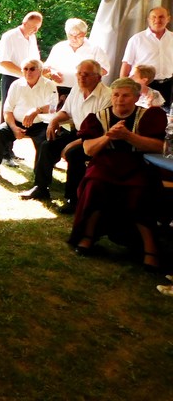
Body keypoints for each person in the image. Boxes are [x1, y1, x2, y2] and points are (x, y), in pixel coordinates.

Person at [68, 78, 166, 271]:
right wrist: (108, 136)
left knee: (140, 193)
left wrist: (129, 136)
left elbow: (159, 146)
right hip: (105, 162)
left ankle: (150, 249)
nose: (120, 99)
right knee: (95, 185)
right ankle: (87, 237)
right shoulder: (98, 117)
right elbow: (88, 150)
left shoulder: (147, 116)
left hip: (137, 163)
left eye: (126, 95)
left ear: (136, 97)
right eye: (116, 95)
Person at [20, 60, 111, 213]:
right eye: (79, 74)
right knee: (47, 145)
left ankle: (73, 198)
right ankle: (41, 187)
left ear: (98, 77)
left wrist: (71, 144)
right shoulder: (76, 89)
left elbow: (99, 130)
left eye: (86, 74)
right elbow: (66, 112)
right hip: (78, 132)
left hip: (96, 138)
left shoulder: (107, 96)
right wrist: (54, 121)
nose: (81, 77)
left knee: (73, 154)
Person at [0, 58, 56, 179]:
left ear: (40, 70)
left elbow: (53, 107)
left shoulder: (48, 84)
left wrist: (36, 111)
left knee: (45, 143)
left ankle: (40, 177)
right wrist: (14, 128)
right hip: (17, 123)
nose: (28, 72)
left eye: (32, 69)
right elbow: (7, 110)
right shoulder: (16, 85)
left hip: (40, 124)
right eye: (25, 69)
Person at [0, 12, 43, 165]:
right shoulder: (9, 36)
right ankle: (4, 154)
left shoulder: (32, 38)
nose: (35, 30)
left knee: (23, 111)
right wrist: (25, 73)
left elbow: (35, 60)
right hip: (11, 78)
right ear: (24, 22)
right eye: (33, 26)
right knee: (8, 111)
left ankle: (10, 151)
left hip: (28, 79)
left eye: (38, 27)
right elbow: (4, 62)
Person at [43, 18, 110, 105]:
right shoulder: (59, 47)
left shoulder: (95, 49)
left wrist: (87, 75)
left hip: (84, 90)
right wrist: (52, 73)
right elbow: (46, 68)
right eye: (71, 35)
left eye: (78, 36)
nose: (74, 39)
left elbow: (104, 69)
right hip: (59, 89)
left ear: (85, 34)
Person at [120, 6, 173, 106]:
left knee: (165, 114)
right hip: (143, 86)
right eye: (154, 17)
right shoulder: (137, 39)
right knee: (142, 114)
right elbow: (126, 64)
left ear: (168, 19)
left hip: (168, 85)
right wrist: (123, 86)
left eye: (161, 17)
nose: (157, 20)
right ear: (148, 19)